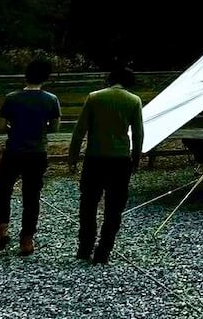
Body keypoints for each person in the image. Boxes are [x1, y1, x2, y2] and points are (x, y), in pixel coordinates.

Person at [69, 65, 144, 264]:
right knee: (114, 207)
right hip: (120, 160)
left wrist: (73, 157)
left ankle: (85, 246)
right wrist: (136, 158)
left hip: (95, 158)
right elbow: (137, 134)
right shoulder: (134, 101)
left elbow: (79, 131)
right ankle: (104, 249)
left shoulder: (94, 97)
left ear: (110, 79)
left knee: (88, 204)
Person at [0, 58, 62, 255]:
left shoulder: (12, 98)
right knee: (31, 196)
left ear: (26, 76)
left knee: (3, 190)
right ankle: (27, 238)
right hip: (37, 152)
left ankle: (2, 228)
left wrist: (12, 128)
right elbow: (55, 127)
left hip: (13, 150)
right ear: (45, 78)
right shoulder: (51, 99)